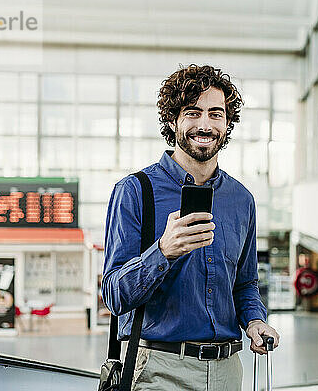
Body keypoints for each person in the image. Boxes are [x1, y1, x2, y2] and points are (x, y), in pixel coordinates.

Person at [102, 64, 280, 390]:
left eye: (216, 114)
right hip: (158, 369)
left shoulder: (241, 200)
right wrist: (163, 251)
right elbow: (114, 294)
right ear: (173, 121)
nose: (205, 124)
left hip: (227, 371)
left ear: (227, 124)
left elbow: (245, 284)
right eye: (193, 113)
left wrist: (255, 321)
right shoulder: (135, 191)